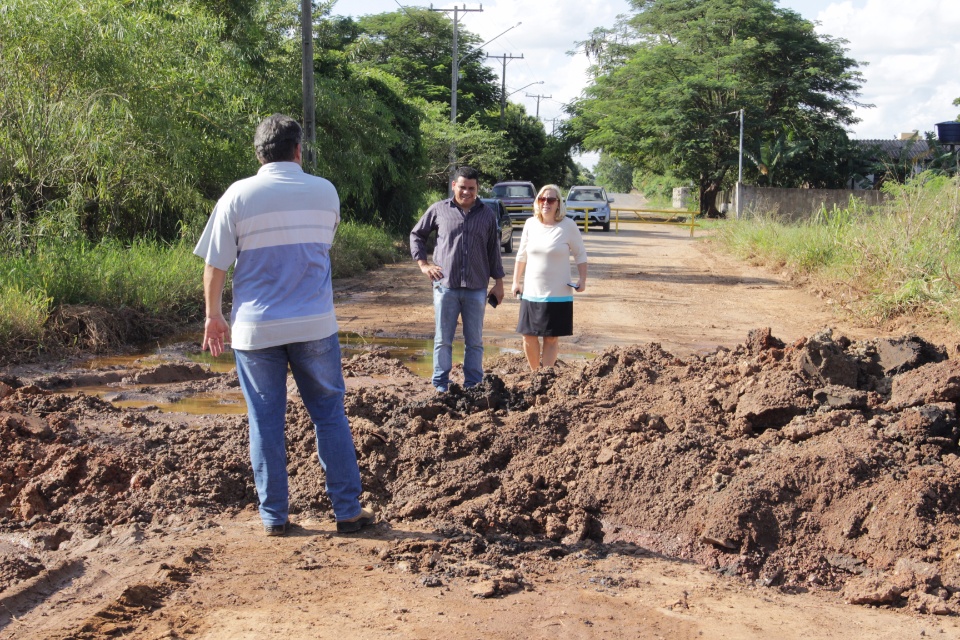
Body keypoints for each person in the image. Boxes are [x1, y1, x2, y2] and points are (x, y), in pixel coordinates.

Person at [194, 113, 373, 537]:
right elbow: (321, 246)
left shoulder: (237, 196)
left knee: (265, 420)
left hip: (256, 330)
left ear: (259, 154)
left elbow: (215, 264)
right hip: (314, 324)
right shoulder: (325, 191)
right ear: (298, 150)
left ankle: (275, 517)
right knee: (329, 416)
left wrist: (213, 315)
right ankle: (347, 512)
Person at [410, 166, 505, 392]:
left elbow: (494, 250)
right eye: (462, 187)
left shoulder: (487, 215)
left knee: (475, 342)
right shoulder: (438, 210)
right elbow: (417, 235)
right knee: (443, 340)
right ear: (454, 186)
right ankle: (441, 385)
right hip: (446, 287)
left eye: (471, 188)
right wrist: (423, 264)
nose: (466, 192)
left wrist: (499, 283)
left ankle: (473, 385)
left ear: (477, 188)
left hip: (476, 288)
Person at [511, 184, 588, 371]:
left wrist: (582, 280)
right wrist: (516, 281)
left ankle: (546, 375)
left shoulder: (568, 226)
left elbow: (580, 255)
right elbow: (522, 255)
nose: (546, 203)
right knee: (528, 336)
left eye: (551, 200)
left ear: (558, 204)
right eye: (542, 199)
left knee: (551, 337)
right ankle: (535, 374)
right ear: (537, 202)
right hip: (532, 292)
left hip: (558, 293)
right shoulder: (530, 224)